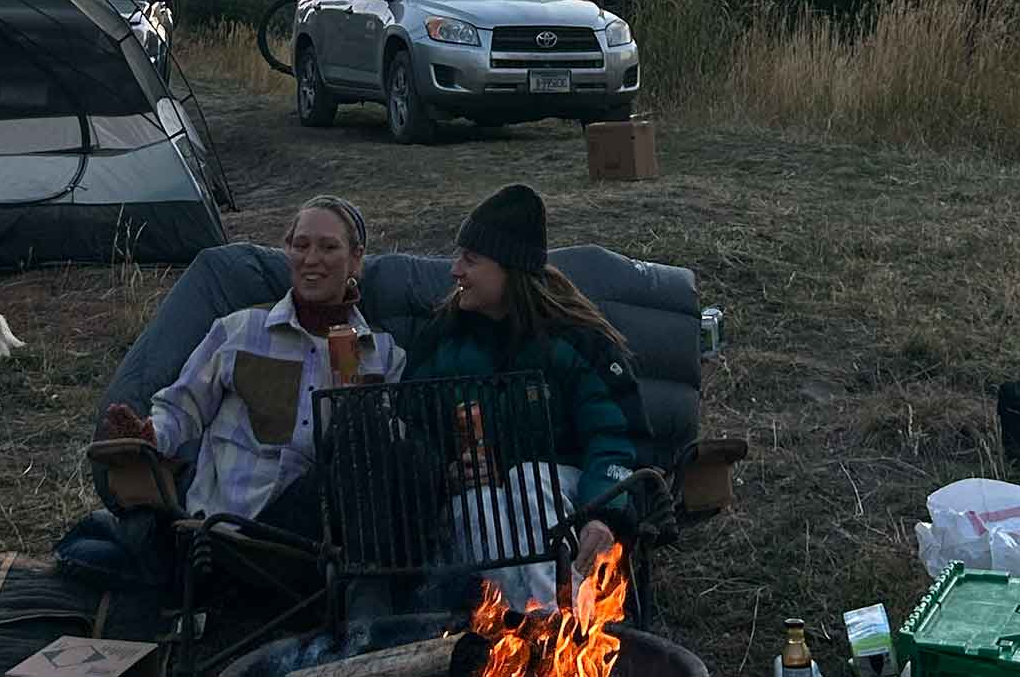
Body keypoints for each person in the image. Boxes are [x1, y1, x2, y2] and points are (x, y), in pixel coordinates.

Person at [99, 194, 405, 539]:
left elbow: (381, 456)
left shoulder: (379, 350)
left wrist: (356, 401)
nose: (311, 259)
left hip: (325, 525)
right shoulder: (241, 330)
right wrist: (151, 435)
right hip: (230, 522)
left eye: (329, 248)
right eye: (300, 245)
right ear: (287, 251)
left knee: (374, 431)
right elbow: (183, 407)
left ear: (356, 260)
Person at [403, 183, 648, 612]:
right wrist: (448, 469)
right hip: (482, 499)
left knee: (529, 479)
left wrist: (604, 512)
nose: (454, 270)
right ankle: (516, 632)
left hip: (570, 495)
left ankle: (561, 625)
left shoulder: (576, 342)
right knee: (478, 503)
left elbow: (615, 436)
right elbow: (411, 427)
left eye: (471, 260)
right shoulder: (442, 341)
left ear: (510, 271)